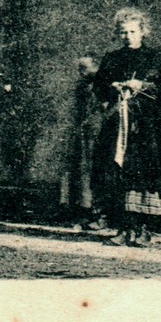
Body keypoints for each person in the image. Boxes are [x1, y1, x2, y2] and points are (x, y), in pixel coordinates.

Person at [91, 8, 161, 247]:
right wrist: (113, 86)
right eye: (123, 32)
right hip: (118, 124)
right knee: (117, 172)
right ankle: (124, 228)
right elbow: (99, 87)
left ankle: (144, 230)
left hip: (146, 126)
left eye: (132, 31)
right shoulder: (112, 59)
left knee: (145, 172)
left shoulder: (156, 58)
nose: (127, 36)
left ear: (142, 32)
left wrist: (143, 85)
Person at [61, 56, 104, 228]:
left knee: (96, 172)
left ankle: (98, 214)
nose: (81, 72)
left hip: (97, 134)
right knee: (81, 172)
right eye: (80, 68)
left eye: (85, 68)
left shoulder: (102, 87)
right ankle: (83, 211)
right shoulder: (82, 87)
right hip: (84, 135)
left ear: (96, 67)